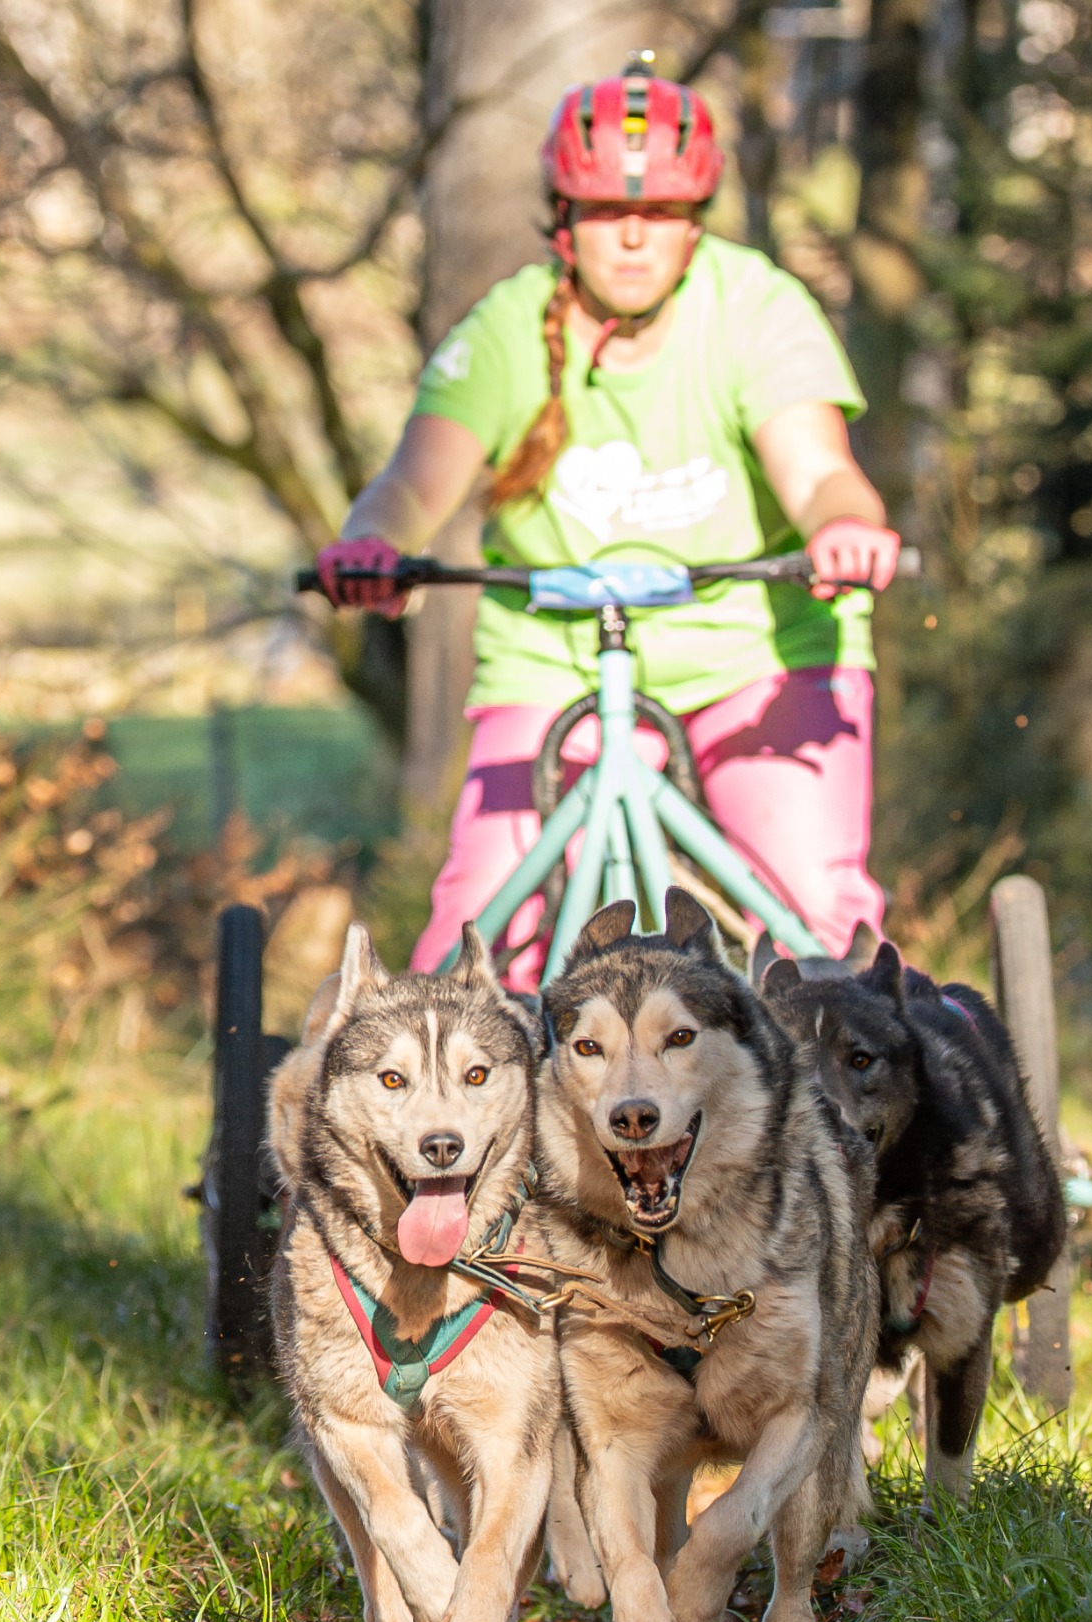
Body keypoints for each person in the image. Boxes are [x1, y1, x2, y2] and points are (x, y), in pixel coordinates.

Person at [315, 57, 900, 991]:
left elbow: (819, 471)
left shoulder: (755, 309)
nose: (631, 238)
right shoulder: (509, 328)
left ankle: (861, 1074)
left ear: (695, 220)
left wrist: (842, 528)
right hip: (554, 658)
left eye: (659, 212)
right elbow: (411, 484)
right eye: (603, 212)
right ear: (562, 218)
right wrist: (373, 544)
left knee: (812, 921)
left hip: (756, 649)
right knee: (481, 920)